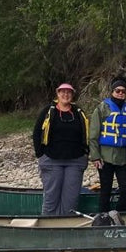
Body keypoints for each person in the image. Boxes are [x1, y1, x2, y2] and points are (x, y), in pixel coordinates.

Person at [32, 82, 89, 215]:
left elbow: (86, 134)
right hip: (52, 160)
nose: (65, 94)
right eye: (62, 92)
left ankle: (66, 228)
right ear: (57, 94)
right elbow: (36, 133)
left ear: (72, 95)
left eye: (68, 92)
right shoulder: (48, 111)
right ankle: (48, 229)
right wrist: (40, 155)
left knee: (71, 201)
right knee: (51, 199)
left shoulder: (79, 112)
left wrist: (86, 153)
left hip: (75, 161)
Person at [88, 76, 126, 213]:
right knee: (105, 190)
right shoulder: (102, 108)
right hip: (105, 157)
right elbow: (93, 135)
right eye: (117, 90)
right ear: (112, 91)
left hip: (124, 158)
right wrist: (95, 156)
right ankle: (103, 216)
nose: (120, 93)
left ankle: (119, 214)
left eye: (123, 91)